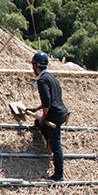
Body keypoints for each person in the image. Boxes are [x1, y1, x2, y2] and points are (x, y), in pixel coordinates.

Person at [30, 51, 68, 181]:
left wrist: (44, 114)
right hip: (61, 112)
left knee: (56, 145)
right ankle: (49, 142)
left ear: (36, 66)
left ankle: (59, 175)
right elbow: (52, 99)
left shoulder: (42, 80)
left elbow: (46, 100)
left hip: (54, 116)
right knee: (38, 124)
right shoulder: (52, 78)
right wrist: (36, 109)